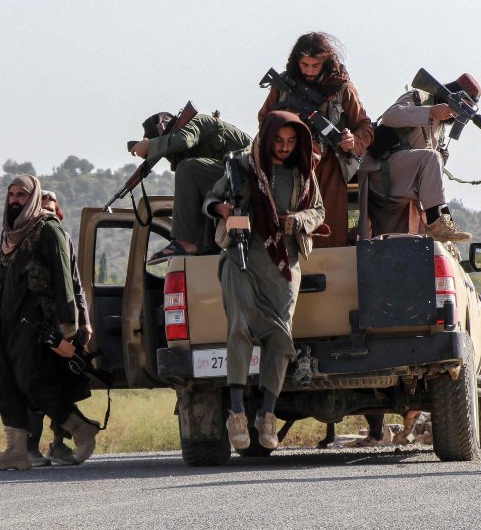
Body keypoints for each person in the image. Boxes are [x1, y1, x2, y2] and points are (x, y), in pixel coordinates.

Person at [204, 110, 326, 451]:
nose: (285, 147)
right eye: (279, 140)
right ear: (267, 137)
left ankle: (267, 415)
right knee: (240, 328)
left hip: (284, 264)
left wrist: (297, 220)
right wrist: (225, 211)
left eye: (291, 141)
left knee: (280, 337)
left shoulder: (304, 174)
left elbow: (319, 212)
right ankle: (238, 413)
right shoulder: (242, 167)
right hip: (241, 259)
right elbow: (210, 201)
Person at [0, 175, 101, 471]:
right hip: (8, 322)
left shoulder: (48, 230)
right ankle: (16, 450)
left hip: (37, 323)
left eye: (21, 195)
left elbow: (67, 280)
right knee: (6, 385)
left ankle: (79, 427)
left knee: (33, 382)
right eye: (11, 194)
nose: (14, 199)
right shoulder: (11, 234)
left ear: (33, 197)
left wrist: (69, 326)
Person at [258, 32, 372, 247]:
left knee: (328, 234)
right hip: (288, 169)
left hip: (329, 169)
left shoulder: (342, 88)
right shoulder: (283, 86)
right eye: (304, 65)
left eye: (315, 65)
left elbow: (365, 126)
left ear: (326, 63)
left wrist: (352, 141)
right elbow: (264, 120)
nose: (309, 71)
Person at [357, 75, 481, 241]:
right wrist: (430, 111)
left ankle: (443, 222)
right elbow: (390, 116)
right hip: (380, 172)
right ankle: (436, 222)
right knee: (431, 157)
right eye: (463, 104)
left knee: (393, 246)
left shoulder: (440, 129)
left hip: (401, 186)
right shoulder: (419, 98)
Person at [132, 108, 253, 263]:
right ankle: (204, 247)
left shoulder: (197, 122)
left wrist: (150, 145)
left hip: (246, 175)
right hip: (234, 180)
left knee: (186, 168)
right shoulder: (199, 166)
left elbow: (182, 140)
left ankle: (186, 242)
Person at [25, 190, 89, 466]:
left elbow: (75, 284)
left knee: (64, 385)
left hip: (61, 325)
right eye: (43, 207)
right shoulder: (25, 240)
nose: (47, 212)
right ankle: (30, 447)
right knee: (37, 387)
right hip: (35, 327)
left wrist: (83, 321)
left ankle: (59, 444)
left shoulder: (61, 237)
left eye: (51, 208)